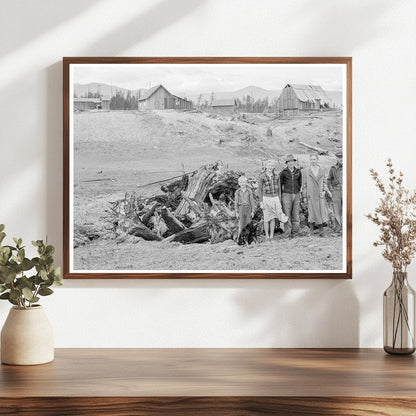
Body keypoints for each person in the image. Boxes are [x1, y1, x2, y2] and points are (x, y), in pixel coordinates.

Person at [257, 160, 288, 241]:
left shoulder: (276, 176)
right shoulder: (262, 176)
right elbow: (259, 189)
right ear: (266, 166)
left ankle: (271, 236)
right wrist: (261, 201)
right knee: (267, 217)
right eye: (269, 165)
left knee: (273, 217)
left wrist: (279, 200)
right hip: (266, 198)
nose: (270, 167)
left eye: (271, 166)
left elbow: (279, 190)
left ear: (273, 167)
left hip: (275, 198)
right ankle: (267, 236)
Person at [302, 154, 331, 235]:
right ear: (310, 160)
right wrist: (304, 196)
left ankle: (321, 230)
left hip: (320, 194)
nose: (313, 161)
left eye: (314, 159)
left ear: (317, 160)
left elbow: (325, 182)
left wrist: (324, 191)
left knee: (321, 211)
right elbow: (304, 185)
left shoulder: (322, 169)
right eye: (311, 159)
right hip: (310, 194)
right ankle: (311, 230)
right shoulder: (306, 171)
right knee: (311, 212)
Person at [280, 154, 302, 236]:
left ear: (294, 162)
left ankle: (295, 232)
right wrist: (282, 195)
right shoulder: (283, 173)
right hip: (286, 194)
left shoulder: (298, 172)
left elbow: (300, 183)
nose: (291, 163)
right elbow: (280, 184)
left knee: (295, 213)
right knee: (287, 213)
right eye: (289, 162)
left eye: (292, 161)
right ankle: (287, 232)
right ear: (287, 163)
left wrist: (298, 192)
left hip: (296, 194)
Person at [234, 176, 256, 240]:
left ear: (246, 183)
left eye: (244, 182)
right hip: (241, 208)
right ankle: (239, 238)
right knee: (241, 224)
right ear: (239, 183)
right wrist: (237, 212)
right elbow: (236, 203)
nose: (242, 184)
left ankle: (249, 238)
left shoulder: (249, 191)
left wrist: (253, 211)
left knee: (248, 223)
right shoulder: (237, 192)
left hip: (248, 208)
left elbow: (252, 201)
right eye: (241, 182)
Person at [327, 152, 343, 233]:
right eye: (339, 158)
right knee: (337, 211)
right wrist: (330, 189)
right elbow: (329, 179)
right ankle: (338, 228)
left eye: (343, 158)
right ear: (337, 158)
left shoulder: (350, 166)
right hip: (336, 191)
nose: (341, 160)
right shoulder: (333, 168)